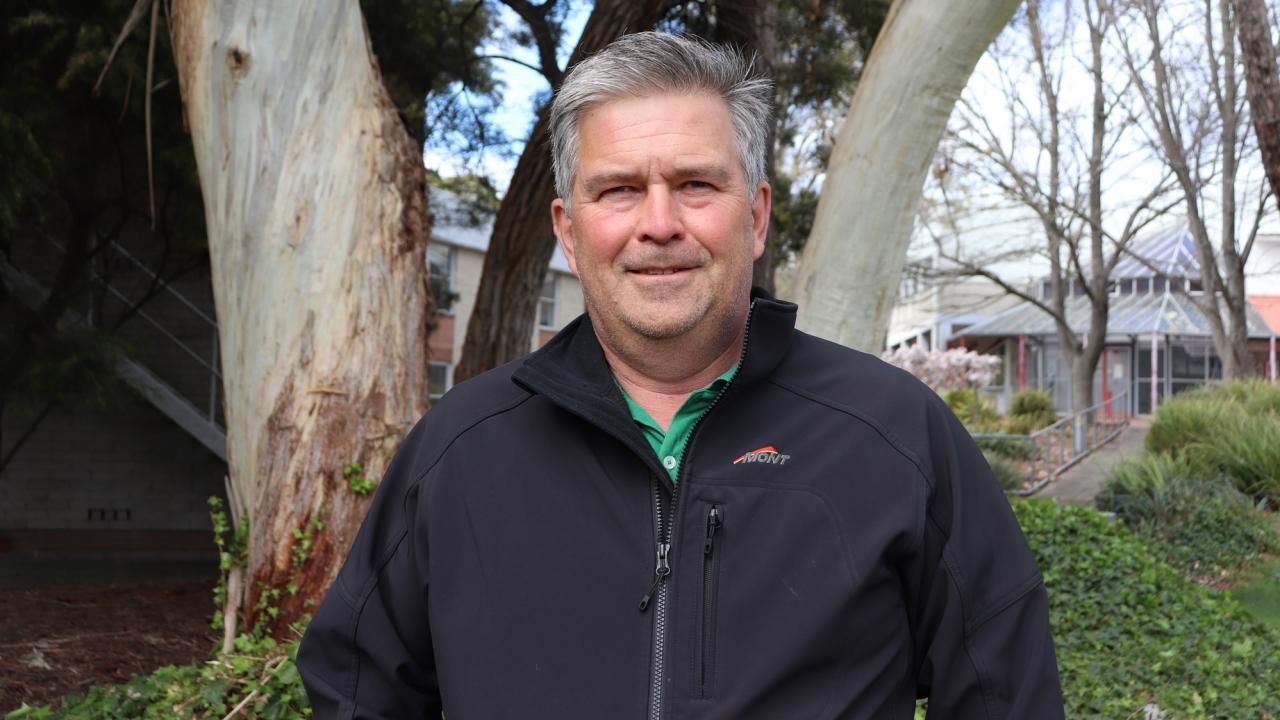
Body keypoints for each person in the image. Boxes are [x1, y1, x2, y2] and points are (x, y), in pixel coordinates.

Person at [298, 32, 1065, 719]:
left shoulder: (894, 434)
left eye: (696, 184)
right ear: (569, 229)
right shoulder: (458, 452)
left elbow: (1006, 692)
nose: (659, 224)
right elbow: (356, 691)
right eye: (620, 189)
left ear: (756, 216)